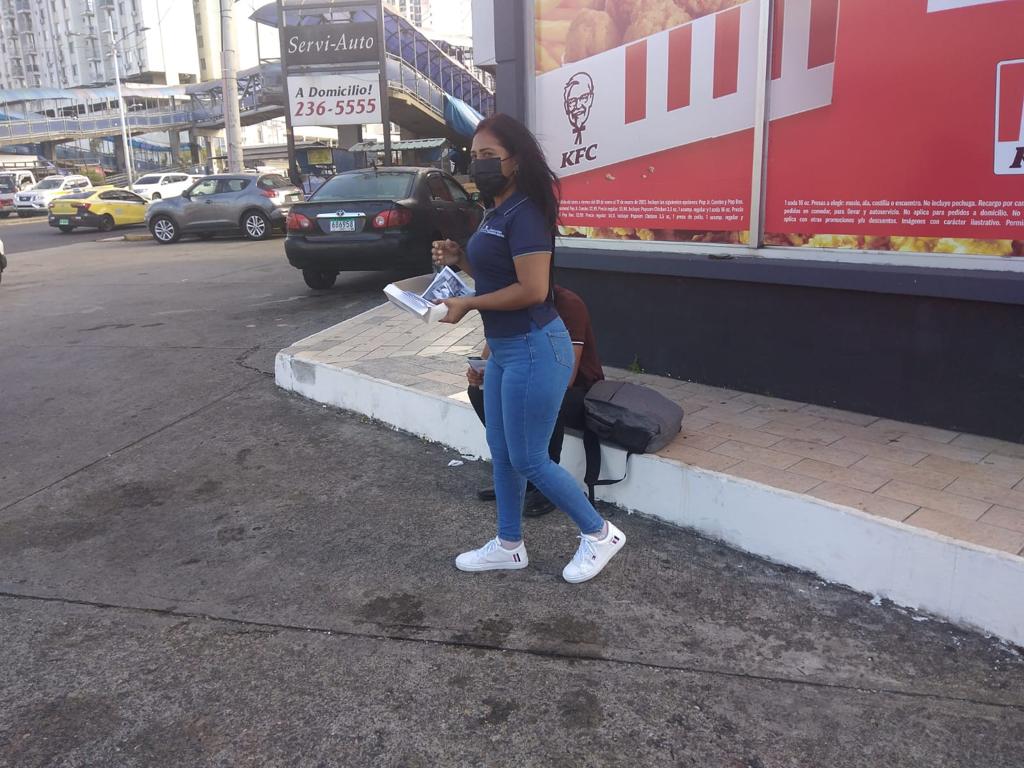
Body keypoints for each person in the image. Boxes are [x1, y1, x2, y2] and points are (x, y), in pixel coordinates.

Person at [431, 113, 626, 584]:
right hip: (505, 350)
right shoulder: (496, 210)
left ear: (515, 160)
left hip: (536, 349)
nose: (478, 164)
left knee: (529, 457)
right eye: (474, 155)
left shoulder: (527, 213)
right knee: (502, 451)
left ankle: (600, 534)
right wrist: (461, 259)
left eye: (489, 155)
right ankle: (508, 545)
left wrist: (468, 303)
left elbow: (534, 290)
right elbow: (501, 277)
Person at [467, 285, 604, 518]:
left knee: (547, 395)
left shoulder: (568, 304)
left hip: (579, 389)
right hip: (528, 376)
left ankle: (545, 481)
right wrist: (479, 374)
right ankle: (515, 475)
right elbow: (492, 354)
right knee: (479, 391)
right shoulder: (509, 303)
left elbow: (566, 375)